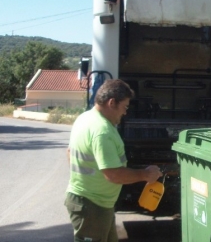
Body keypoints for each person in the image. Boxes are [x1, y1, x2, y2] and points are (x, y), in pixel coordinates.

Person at [64, 79, 163, 242]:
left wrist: (84, 179)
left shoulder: (85, 118)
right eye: (124, 107)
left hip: (95, 203)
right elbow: (113, 175)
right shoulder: (102, 131)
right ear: (112, 103)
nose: (125, 113)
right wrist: (145, 175)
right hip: (92, 206)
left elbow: (69, 152)